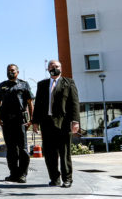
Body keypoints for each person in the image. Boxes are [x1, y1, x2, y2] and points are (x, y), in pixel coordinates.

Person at [32, 60, 80, 188]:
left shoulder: (69, 83)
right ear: (48, 69)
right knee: (49, 153)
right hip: (46, 124)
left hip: (64, 124)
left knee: (64, 153)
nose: (54, 68)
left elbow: (74, 103)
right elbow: (38, 105)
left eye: (57, 66)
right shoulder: (42, 84)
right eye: (52, 66)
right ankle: (54, 178)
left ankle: (67, 179)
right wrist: (35, 122)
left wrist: (75, 121)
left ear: (61, 68)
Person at [0, 64, 34, 183]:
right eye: (8, 71)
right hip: (7, 121)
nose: (10, 72)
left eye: (12, 70)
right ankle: (13, 173)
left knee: (22, 148)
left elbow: (30, 103)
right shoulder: (2, 85)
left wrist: (31, 120)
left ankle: (22, 174)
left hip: (20, 120)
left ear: (17, 72)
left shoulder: (24, 84)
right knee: (11, 149)